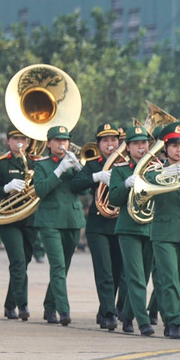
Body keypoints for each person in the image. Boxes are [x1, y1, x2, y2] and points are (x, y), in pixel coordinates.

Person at [143, 122, 180, 339]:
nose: (179, 150)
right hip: (164, 231)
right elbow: (149, 183)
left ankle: (170, 315)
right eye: (174, 146)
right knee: (169, 278)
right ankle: (174, 321)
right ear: (165, 148)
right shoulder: (154, 170)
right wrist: (173, 170)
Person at [69, 122, 124, 331]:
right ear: (99, 143)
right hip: (98, 225)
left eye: (113, 140)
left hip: (120, 224)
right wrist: (95, 177)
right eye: (105, 141)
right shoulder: (93, 164)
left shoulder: (125, 164)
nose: (110, 144)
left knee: (118, 271)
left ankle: (104, 310)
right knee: (104, 271)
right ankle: (110, 314)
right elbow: (75, 185)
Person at [32, 124, 85, 325]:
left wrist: (81, 171)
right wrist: (59, 170)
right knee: (58, 265)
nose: (61, 144)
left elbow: (85, 191)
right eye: (57, 140)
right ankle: (63, 311)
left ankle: (48, 305)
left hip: (72, 219)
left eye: (65, 140)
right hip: (50, 221)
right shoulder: (42, 165)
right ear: (49, 143)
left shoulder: (73, 162)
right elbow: (41, 190)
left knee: (63, 268)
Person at [106, 125, 155, 335]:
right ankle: (143, 322)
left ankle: (127, 314)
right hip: (128, 227)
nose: (141, 147)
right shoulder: (120, 169)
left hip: (150, 227)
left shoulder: (154, 168)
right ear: (128, 147)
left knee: (144, 277)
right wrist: (125, 184)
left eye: (144, 143)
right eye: (136, 143)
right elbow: (114, 199)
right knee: (135, 276)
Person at [0, 127, 36, 320]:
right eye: (15, 138)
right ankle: (22, 305)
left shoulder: (34, 162)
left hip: (30, 218)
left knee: (24, 263)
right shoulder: (1, 164)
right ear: (8, 141)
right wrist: (6, 188)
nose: (20, 142)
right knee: (18, 261)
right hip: (9, 219)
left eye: (23, 138)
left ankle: (10, 305)